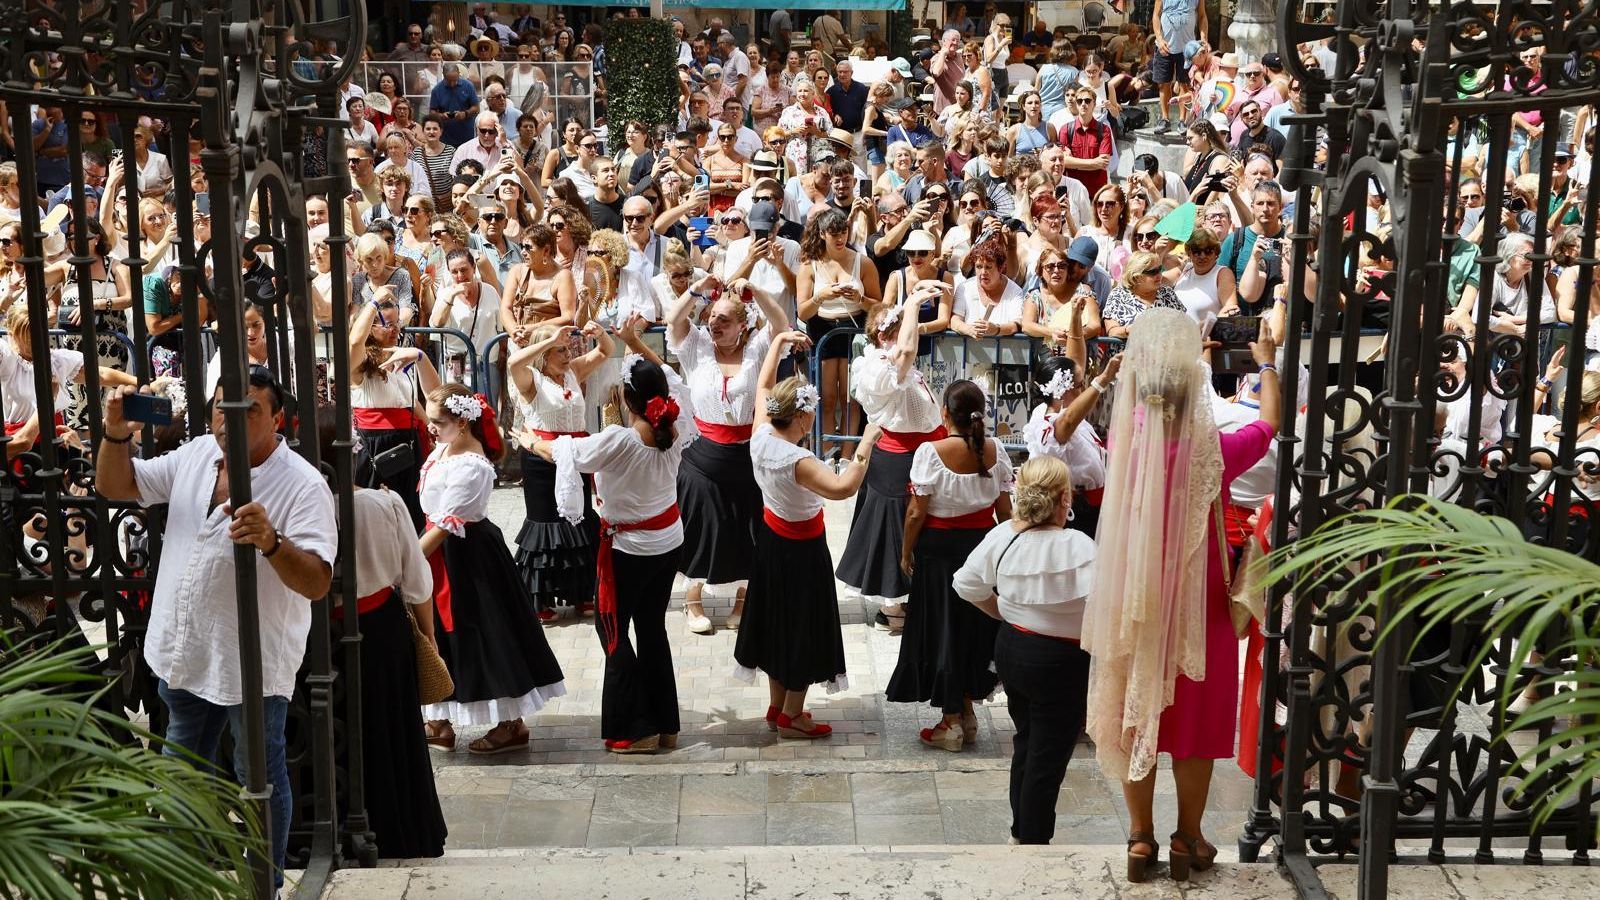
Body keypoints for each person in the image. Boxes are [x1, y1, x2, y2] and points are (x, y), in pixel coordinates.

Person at [95, 369, 336, 891]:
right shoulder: (198, 455)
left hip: (250, 663)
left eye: (249, 409)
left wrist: (273, 543)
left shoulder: (303, 484)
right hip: (184, 651)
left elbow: (317, 582)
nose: (230, 420)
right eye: (222, 407)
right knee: (181, 775)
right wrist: (115, 432)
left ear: (278, 419)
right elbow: (116, 485)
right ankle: (182, 881)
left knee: (259, 778)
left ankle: (263, 887)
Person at [1085, 308, 1278, 884]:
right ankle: (1188, 837)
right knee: (1194, 727)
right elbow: (1269, 424)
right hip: (1201, 608)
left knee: (1136, 716)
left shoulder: (1126, 442)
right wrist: (1266, 362)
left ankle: (1139, 836)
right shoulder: (1211, 452)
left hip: (1136, 601)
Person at [735, 331, 880, 738]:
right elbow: (843, 488)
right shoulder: (797, 458)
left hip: (771, 544)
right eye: (812, 413)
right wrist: (866, 442)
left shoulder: (760, 436)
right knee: (802, 626)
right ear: (800, 417)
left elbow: (763, 386)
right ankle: (793, 716)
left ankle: (777, 705)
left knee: (776, 622)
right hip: (801, 551)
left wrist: (779, 341)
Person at [953, 455, 1097, 844]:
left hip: (1013, 649)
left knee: (1028, 740)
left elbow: (966, 584)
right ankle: (1032, 840)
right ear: (1065, 498)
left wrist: (1003, 611)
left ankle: (1021, 829)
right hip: (1061, 661)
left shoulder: (1004, 536)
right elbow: (1105, 603)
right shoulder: (1078, 545)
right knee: (1047, 755)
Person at [418, 383, 566, 755]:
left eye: (437, 421)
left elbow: (446, 525)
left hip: (468, 557)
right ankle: (439, 719)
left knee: (486, 634)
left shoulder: (472, 466)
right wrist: (418, 357)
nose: (430, 426)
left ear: (462, 423)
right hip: (444, 551)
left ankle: (511, 724)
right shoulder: (446, 447)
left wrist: (405, 562)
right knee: (445, 634)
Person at [887, 379, 1015, 750]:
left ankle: (952, 722)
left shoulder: (930, 452)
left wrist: (905, 552)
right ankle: (966, 713)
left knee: (943, 631)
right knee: (972, 629)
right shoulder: (996, 450)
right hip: (981, 551)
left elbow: (916, 512)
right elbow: (1004, 510)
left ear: (945, 413)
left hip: (939, 555)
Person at [666, 272, 788, 635]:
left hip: (747, 455)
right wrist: (696, 291)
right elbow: (674, 320)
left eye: (724, 319)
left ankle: (742, 601)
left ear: (742, 326)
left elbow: (780, 323)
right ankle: (693, 600)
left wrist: (756, 290)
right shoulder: (697, 347)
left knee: (746, 528)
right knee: (700, 525)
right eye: (712, 317)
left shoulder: (757, 351)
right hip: (702, 456)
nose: (714, 323)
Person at [838, 286, 951, 637]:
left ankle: (909, 597)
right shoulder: (876, 367)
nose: (911, 333)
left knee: (914, 527)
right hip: (897, 458)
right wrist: (914, 302)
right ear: (886, 334)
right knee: (893, 530)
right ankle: (892, 606)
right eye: (903, 328)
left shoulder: (895, 364)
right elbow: (906, 349)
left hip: (918, 454)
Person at [508, 323, 610, 622]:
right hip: (542, 458)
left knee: (579, 521)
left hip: (576, 455)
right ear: (544, 355)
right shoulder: (531, 379)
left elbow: (605, 351)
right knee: (546, 525)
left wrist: (599, 333)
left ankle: (581, 594)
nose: (567, 355)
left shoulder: (573, 371)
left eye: (567, 349)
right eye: (560, 351)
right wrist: (548, 339)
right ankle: (541, 598)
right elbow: (514, 362)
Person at [349, 291, 438, 531]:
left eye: (397, 323)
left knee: (411, 514)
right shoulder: (359, 364)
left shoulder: (400, 355)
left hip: (408, 442)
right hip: (376, 445)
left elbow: (408, 400)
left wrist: (428, 423)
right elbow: (354, 342)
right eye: (388, 324)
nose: (395, 330)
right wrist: (373, 303)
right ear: (370, 328)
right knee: (379, 516)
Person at [796, 208, 881, 452]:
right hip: (822, 330)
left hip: (853, 329)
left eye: (843, 232)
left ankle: (846, 454)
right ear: (822, 234)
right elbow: (802, 311)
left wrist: (859, 298)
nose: (840, 238)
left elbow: (879, 305)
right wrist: (820, 297)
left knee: (850, 398)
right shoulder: (809, 266)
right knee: (826, 397)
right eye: (834, 234)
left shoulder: (863, 262)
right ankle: (824, 452)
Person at [1025, 339, 1119, 536]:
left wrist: (1076, 321)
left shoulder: (1062, 409)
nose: (1083, 390)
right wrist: (1103, 379)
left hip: (1095, 506)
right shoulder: (1048, 421)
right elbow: (1066, 423)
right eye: (1079, 385)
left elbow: (1076, 360)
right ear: (1062, 390)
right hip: (1078, 512)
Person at [1150, 0, 1207, 133]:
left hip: (1188, 48)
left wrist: (1204, 38)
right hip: (1164, 46)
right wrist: (1159, 39)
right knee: (1163, 83)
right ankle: (1165, 119)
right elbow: (1156, 15)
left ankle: (1182, 121)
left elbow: (1202, 16)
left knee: (1184, 84)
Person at [1102, 250, 1186, 338]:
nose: (1159, 275)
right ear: (1137, 276)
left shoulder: (1166, 292)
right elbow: (1112, 331)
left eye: (1159, 269)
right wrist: (1131, 330)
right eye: (1153, 272)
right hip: (1129, 346)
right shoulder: (1118, 295)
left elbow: (1184, 323)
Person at [430, 63, 481, 146]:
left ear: (459, 74)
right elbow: (432, 112)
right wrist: (441, 116)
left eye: (455, 80)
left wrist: (465, 114)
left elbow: (476, 107)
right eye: (449, 80)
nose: (452, 84)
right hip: (445, 136)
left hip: (467, 134)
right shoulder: (437, 90)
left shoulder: (468, 86)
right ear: (443, 75)